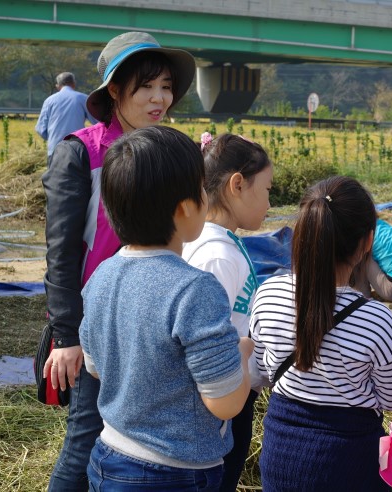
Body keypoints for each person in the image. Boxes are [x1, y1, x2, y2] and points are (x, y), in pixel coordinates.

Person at [41, 31, 195, 491]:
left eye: (166, 86)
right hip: (100, 324)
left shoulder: (169, 151)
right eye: (146, 86)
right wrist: (67, 336)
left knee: (134, 441)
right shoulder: (80, 153)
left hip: (157, 322)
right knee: (85, 437)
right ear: (114, 90)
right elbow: (62, 251)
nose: (159, 98)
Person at [80, 125, 253, 490]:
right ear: (186, 208)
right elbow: (225, 403)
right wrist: (241, 354)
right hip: (173, 472)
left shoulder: (101, 276)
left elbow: (94, 366)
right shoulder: (195, 289)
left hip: (108, 457)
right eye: (201, 188)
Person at [250, 176, 392, 491]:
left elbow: (264, 369)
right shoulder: (377, 319)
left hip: (281, 455)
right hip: (350, 461)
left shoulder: (268, 294)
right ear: (367, 241)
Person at [182, 132, 273, 491]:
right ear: (237, 184)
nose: (270, 203)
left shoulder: (221, 243)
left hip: (228, 394)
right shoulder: (216, 256)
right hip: (219, 403)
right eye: (266, 190)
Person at [35, 72, 97, 159]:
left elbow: (40, 129)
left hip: (55, 150)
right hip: (77, 150)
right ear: (74, 84)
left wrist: (53, 138)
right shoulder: (83, 98)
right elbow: (97, 121)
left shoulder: (49, 101)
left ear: (58, 86)